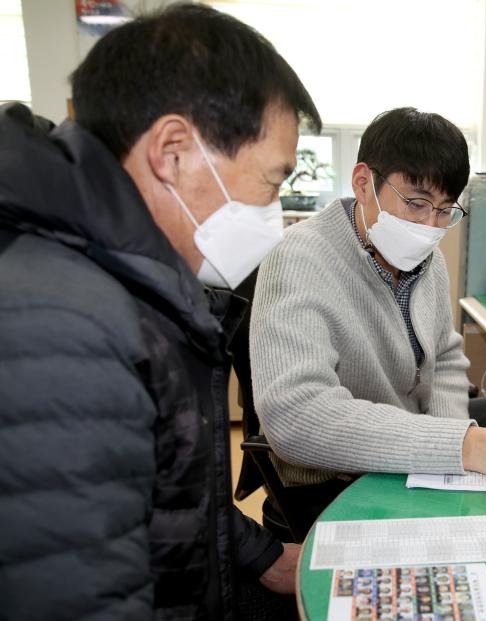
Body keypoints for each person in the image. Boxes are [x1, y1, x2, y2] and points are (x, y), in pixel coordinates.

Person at [0, 4, 319, 618]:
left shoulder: (122, 280)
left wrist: (260, 555)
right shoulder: (61, 328)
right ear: (172, 152)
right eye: (272, 183)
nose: (272, 215)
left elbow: (159, 490)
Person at [249, 107, 486, 527]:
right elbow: (295, 416)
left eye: (445, 211)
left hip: (409, 453)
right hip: (335, 478)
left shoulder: (426, 258)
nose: (430, 225)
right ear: (363, 182)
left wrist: (449, 458)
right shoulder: (300, 259)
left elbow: (444, 355)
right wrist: (468, 448)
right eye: (417, 203)